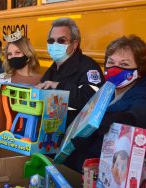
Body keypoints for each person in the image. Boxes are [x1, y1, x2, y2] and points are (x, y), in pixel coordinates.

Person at [64, 35, 146, 172]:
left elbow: (140, 112)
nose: (115, 68)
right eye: (111, 62)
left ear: (140, 71)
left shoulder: (141, 94)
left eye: (124, 64)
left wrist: (125, 118)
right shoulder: (107, 90)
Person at [35, 18, 105, 126]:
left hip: (75, 137)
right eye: (51, 41)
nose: (55, 44)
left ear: (75, 44)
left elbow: (93, 100)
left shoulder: (89, 67)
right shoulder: (52, 69)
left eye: (61, 41)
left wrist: (59, 86)